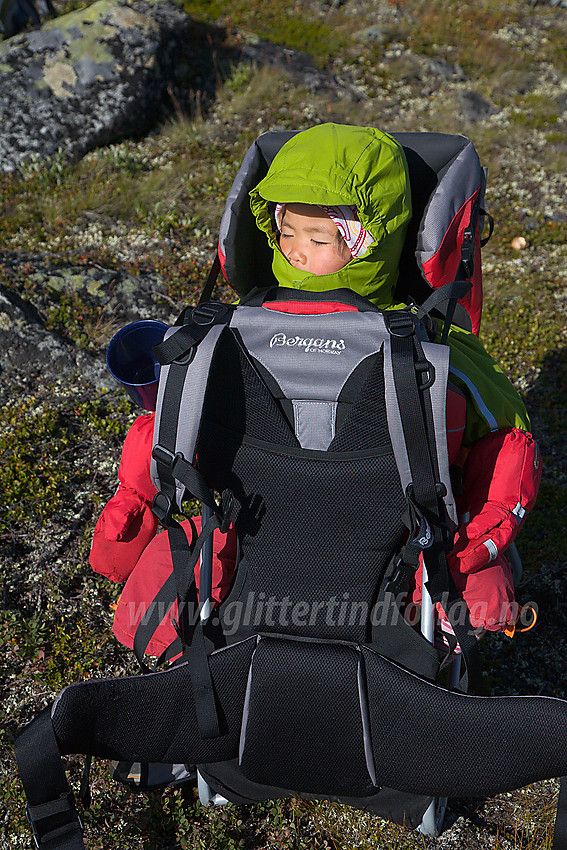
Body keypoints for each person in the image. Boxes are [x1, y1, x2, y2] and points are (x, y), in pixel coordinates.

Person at [90, 123, 541, 655]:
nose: (298, 252)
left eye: (317, 237)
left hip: (251, 574)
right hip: (388, 575)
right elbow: (510, 438)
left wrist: (135, 503)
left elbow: (159, 437)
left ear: (369, 239)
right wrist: (481, 541)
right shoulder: (432, 349)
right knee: (485, 586)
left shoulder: (221, 335)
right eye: (287, 233)